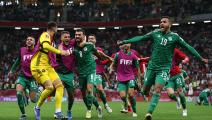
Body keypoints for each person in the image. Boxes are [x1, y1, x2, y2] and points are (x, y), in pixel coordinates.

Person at [118, 16, 208, 120]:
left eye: (164, 22)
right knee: (145, 91)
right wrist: (125, 41)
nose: (161, 23)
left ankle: (149, 113)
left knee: (157, 90)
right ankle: (140, 89)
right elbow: (141, 38)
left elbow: (188, 47)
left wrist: (200, 58)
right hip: (151, 67)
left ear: (169, 24)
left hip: (164, 69)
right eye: (160, 22)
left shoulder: (175, 37)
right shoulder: (155, 33)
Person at [30, 21, 70, 120]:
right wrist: (60, 52)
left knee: (60, 86)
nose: (57, 29)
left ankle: (57, 112)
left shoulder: (52, 40)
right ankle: (37, 107)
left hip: (48, 66)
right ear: (54, 28)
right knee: (49, 87)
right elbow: (45, 46)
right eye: (57, 28)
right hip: (38, 65)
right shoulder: (45, 34)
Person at [70, 29, 112, 119]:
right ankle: (98, 107)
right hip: (81, 73)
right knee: (84, 94)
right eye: (76, 35)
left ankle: (89, 110)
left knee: (90, 90)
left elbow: (98, 53)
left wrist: (106, 58)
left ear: (83, 36)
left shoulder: (90, 45)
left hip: (91, 71)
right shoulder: (73, 46)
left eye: (79, 35)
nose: (77, 36)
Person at [8, 36, 39, 120]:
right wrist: (12, 70)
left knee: (34, 100)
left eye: (31, 40)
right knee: (18, 93)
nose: (29, 41)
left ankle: (35, 92)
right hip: (22, 76)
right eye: (27, 40)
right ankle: (23, 114)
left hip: (33, 78)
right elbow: (18, 60)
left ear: (34, 42)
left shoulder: (37, 51)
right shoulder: (22, 50)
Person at [110, 43, 141, 117]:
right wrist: (111, 68)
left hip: (130, 77)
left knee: (130, 95)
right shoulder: (117, 55)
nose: (125, 45)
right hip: (121, 78)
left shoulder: (133, 56)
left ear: (130, 45)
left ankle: (134, 111)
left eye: (127, 44)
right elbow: (113, 64)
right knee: (123, 96)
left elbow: (138, 68)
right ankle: (126, 106)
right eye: (124, 44)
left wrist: (139, 81)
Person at [87, 34, 113, 114]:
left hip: (97, 72)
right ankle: (98, 107)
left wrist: (109, 59)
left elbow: (102, 58)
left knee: (100, 89)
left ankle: (106, 104)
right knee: (90, 94)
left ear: (95, 40)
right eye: (89, 38)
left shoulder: (98, 49)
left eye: (92, 38)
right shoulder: (85, 49)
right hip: (88, 73)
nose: (90, 40)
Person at [56, 31, 76, 120]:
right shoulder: (58, 47)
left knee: (71, 95)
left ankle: (69, 110)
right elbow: (60, 50)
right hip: (59, 73)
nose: (67, 38)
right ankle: (58, 111)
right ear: (61, 38)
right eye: (65, 37)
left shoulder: (73, 44)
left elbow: (82, 38)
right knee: (58, 91)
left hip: (70, 74)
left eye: (68, 37)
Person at [166, 48, 189, 116]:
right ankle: (177, 101)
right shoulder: (163, 53)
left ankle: (184, 110)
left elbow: (185, 58)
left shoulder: (175, 51)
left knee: (181, 94)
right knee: (171, 94)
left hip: (177, 75)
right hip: (169, 78)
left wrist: (185, 60)